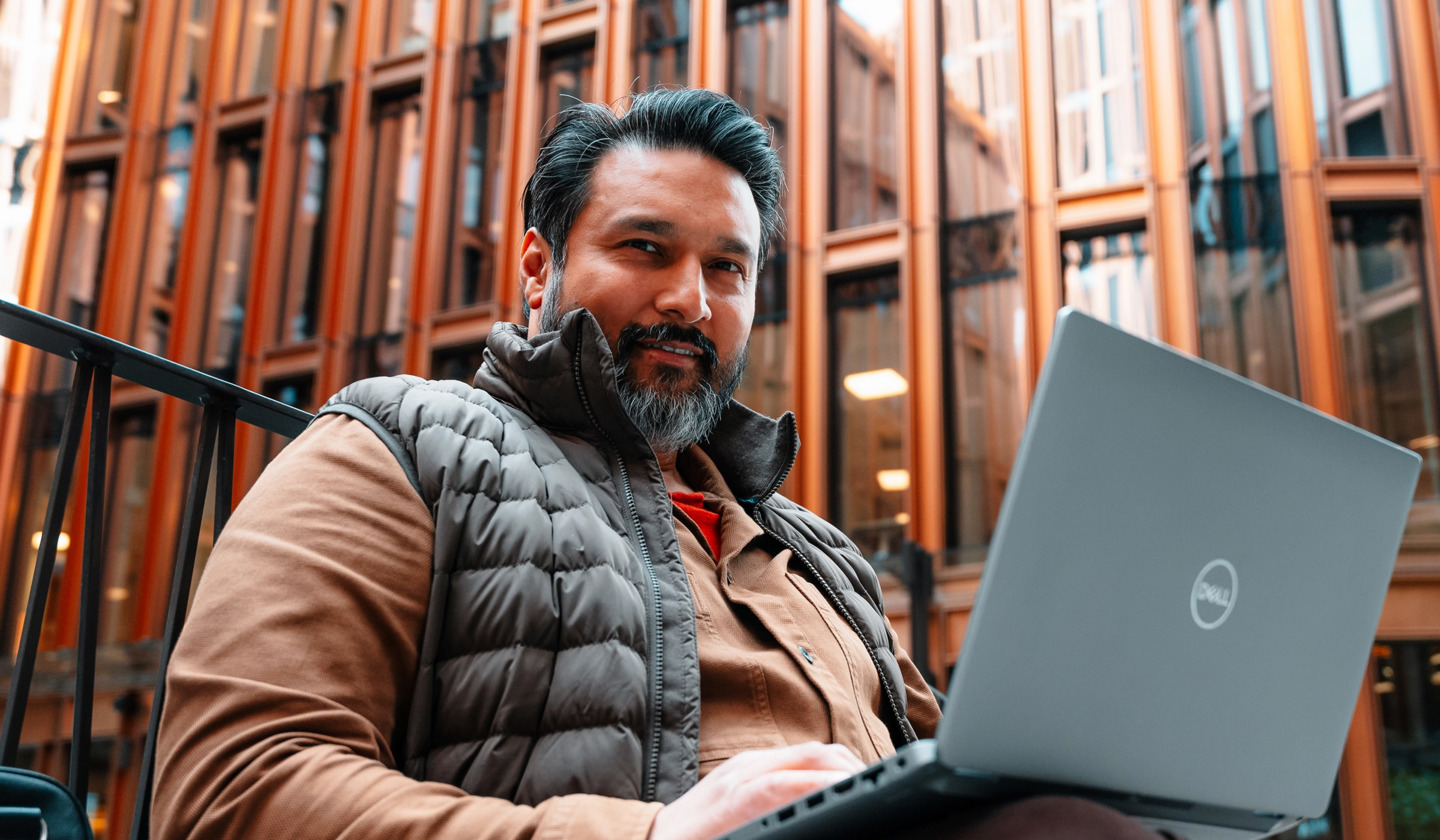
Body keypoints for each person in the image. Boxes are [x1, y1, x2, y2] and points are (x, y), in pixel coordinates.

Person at [153, 88, 1170, 840]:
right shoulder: (398, 444)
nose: (692, 298)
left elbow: (957, 771)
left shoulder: (814, 551)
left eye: (728, 267)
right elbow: (228, 787)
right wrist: (655, 837)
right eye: (647, 248)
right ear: (540, 266)